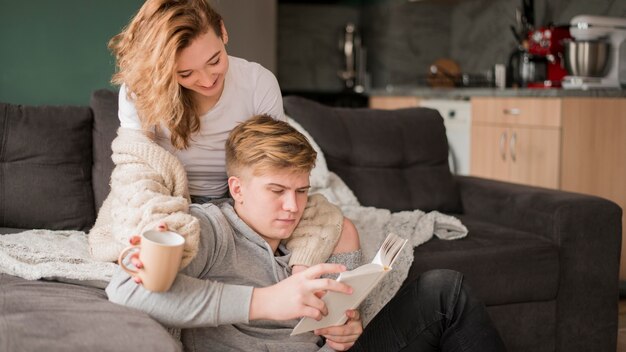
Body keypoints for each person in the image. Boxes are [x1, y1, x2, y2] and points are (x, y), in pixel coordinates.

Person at [107, 115, 506, 352]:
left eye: (300, 191)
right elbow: (126, 289)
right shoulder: (210, 228)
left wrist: (347, 330)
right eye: (277, 191)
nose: (292, 207)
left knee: (446, 290)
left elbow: (345, 321)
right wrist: (265, 302)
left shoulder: (313, 233)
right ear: (237, 188)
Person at [91, 0, 350, 272]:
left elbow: (275, 163)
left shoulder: (256, 82)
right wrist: (160, 225)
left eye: (214, 60)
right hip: (168, 201)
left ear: (223, 33)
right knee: (155, 236)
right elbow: (136, 174)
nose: (206, 80)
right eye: (185, 73)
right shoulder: (141, 92)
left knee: (337, 225)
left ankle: (325, 296)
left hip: (240, 204)